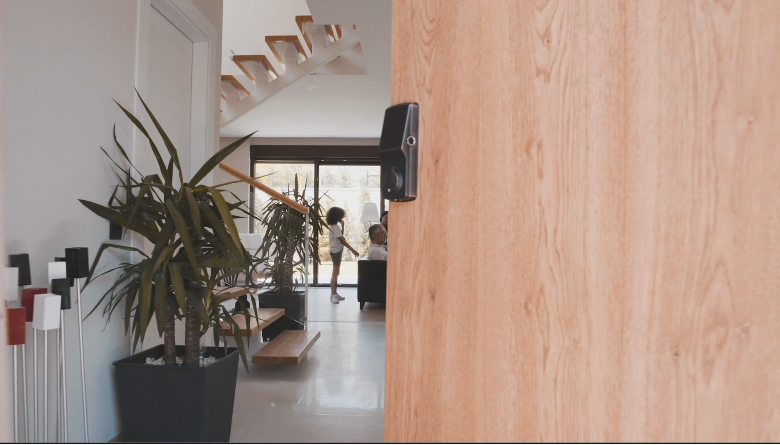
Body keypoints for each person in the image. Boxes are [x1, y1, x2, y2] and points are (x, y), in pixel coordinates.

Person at [326, 206, 359, 304]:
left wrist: (343, 226)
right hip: (336, 252)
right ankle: (333, 295)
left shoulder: (335, 226)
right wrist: (353, 250)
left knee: (337, 273)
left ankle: (334, 293)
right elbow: (342, 241)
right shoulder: (335, 227)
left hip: (337, 250)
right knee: (335, 274)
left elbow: (340, 236)